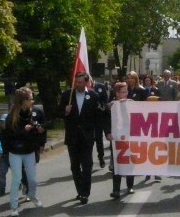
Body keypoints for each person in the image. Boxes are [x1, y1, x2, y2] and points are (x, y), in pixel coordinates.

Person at [58, 72, 103, 204]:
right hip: (72, 137)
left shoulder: (93, 96)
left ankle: (85, 193)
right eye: (76, 82)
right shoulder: (67, 95)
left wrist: (99, 133)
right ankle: (79, 190)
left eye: (80, 82)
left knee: (87, 165)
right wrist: (64, 112)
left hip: (87, 137)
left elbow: (98, 117)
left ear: (86, 83)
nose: (77, 85)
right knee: (75, 166)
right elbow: (58, 112)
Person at [4, 87, 46, 216]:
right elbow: (9, 134)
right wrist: (24, 130)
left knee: (32, 179)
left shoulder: (36, 112)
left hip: (29, 150)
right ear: (22, 101)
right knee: (17, 179)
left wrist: (41, 137)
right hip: (15, 151)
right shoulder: (12, 116)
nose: (32, 101)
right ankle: (14, 206)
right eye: (30, 98)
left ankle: (32, 195)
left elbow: (43, 127)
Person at [105, 82, 136, 199]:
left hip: (129, 138)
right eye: (123, 92)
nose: (125, 94)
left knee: (130, 161)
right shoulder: (111, 106)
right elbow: (105, 120)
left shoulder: (131, 103)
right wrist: (108, 133)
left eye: (126, 91)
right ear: (117, 93)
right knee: (117, 163)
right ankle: (116, 189)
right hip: (116, 138)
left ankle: (129, 185)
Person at [90, 77, 111, 169]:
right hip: (91, 118)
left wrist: (103, 106)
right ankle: (90, 160)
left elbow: (106, 100)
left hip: (101, 117)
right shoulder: (86, 89)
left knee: (101, 139)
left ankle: (101, 157)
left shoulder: (100, 86)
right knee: (93, 139)